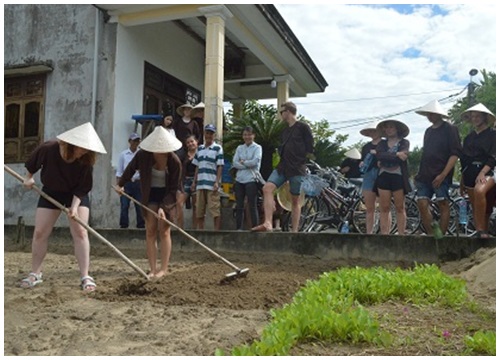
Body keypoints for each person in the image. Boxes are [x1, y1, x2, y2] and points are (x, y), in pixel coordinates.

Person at [20, 122, 107, 291]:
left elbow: (83, 187)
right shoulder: (49, 148)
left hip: (76, 194)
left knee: (81, 232)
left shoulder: (86, 160)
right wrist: (28, 178)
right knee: (40, 232)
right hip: (51, 191)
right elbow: (31, 165)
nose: (84, 151)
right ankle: (35, 273)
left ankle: (85, 275)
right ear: (72, 143)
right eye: (82, 147)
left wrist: (74, 208)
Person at [116, 126, 182, 278]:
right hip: (149, 193)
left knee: (164, 230)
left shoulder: (174, 162)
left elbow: (174, 189)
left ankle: (163, 269)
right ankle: (152, 269)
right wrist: (121, 185)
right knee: (150, 229)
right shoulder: (143, 156)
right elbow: (130, 170)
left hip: (167, 195)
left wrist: (164, 207)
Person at [252, 101, 314, 232]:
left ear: (289, 111)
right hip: (283, 166)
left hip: (297, 168)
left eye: (282, 112)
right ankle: (268, 222)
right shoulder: (285, 131)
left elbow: (310, 148)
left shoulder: (303, 127)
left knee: (295, 200)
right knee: (267, 188)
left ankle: (295, 231)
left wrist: (302, 161)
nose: (281, 115)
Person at [414, 100, 462, 236]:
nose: (430, 116)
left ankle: (442, 237)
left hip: (442, 173)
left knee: (443, 203)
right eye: (428, 114)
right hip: (425, 174)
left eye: (432, 113)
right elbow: (426, 154)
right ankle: (433, 235)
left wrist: (443, 175)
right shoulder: (428, 131)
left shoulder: (450, 129)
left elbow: (455, 154)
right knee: (422, 203)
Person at [459, 103, 496, 238]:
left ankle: (482, 230)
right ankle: (480, 233)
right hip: (469, 172)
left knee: (480, 192)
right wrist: (462, 180)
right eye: (473, 116)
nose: (475, 119)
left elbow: (493, 157)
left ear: (485, 117)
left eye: (478, 116)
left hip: (487, 170)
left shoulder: (493, 135)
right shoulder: (469, 138)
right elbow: (464, 160)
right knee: (475, 205)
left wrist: (483, 172)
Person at [375, 119, 411, 235]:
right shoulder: (382, 143)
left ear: (397, 129)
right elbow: (380, 155)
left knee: (400, 207)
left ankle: (401, 235)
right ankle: (385, 234)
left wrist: (388, 156)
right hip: (383, 176)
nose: (389, 129)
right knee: (384, 207)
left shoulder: (404, 142)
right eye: (387, 127)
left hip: (398, 176)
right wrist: (396, 154)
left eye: (391, 127)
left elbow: (404, 156)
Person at [191, 124, 224, 230]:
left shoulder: (218, 148)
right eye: (207, 133)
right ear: (204, 134)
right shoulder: (199, 148)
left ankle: (216, 232)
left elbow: (220, 166)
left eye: (211, 133)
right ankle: (201, 231)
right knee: (199, 210)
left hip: (211, 183)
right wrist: (194, 181)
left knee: (215, 209)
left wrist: (216, 182)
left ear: (214, 135)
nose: (209, 135)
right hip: (200, 183)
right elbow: (197, 166)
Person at [232, 126, 263, 230]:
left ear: (253, 135)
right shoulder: (239, 148)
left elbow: (255, 162)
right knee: (239, 205)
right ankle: (239, 228)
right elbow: (235, 163)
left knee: (252, 205)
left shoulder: (257, 148)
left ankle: (255, 228)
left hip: (251, 179)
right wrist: (246, 164)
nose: (247, 137)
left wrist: (243, 162)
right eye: (245, 134)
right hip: (239, 180)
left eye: (249, 134)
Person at [116, 132, 145, 229]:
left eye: (138, 141)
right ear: (129, 141)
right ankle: (123, 226)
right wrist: (119, 185)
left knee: (139, 205)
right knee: (124, 205)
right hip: (126, 183)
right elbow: (119, 172)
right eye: (134, 141)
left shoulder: (141, 154)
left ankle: (141, 225)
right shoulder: (123, 155)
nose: (136, 143)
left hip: (138, 182)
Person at [359, 122, 382, 234]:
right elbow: (363, 160)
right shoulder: (366, 147)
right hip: (368, 174)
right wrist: (362, 164)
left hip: (381, 173)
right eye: (371, 131)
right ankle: (369, 232)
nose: (373, 133)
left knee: (384, 206)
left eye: (375, 131)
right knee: (369, 207)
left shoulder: (385, 144)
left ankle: (384, 232)